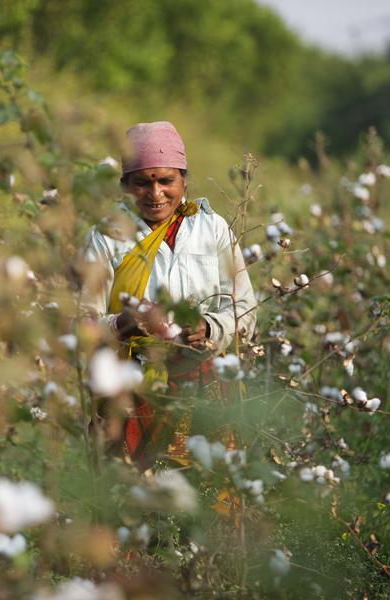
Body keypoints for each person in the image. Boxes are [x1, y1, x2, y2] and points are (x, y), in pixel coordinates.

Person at [81, 121, 256, 466]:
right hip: (131, 390)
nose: (155, 193)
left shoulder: (212, 228)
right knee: (132, 495)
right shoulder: (106, 237)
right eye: (142, 183)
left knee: (207, 493)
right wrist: (120, 324)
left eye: (166, 181)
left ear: (184, 181)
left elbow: (245, 309)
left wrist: (209, 327)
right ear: (124, 187)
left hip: (206, 387)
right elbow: (80, 323)